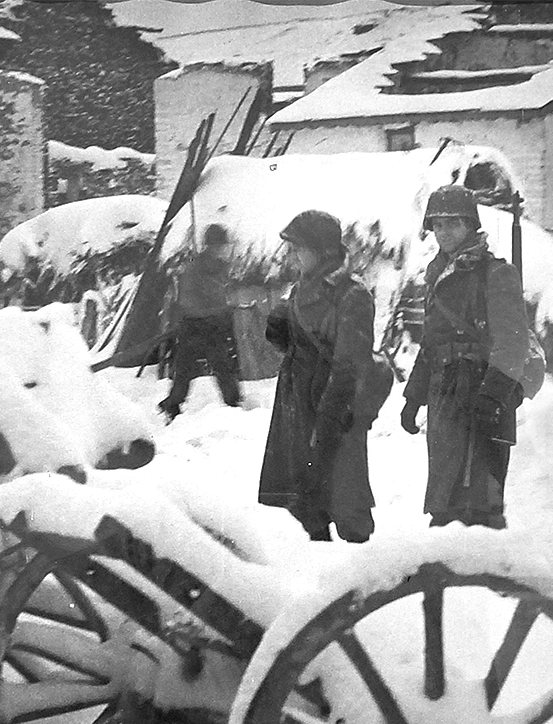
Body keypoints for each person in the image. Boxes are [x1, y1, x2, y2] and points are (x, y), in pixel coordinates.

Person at [401, 184, 529, 530]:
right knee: (445, 498)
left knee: (480, 508)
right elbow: (431, 342)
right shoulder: (437, 273)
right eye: (438, 225)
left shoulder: (496, 273)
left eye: (453, 224)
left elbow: (513, 344)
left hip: (483, 397)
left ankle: (487, 575)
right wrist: (414, 396)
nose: (444, 232)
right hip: (446, 399)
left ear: (471, 225)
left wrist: (492, 396)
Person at [258, 209, 388, 542]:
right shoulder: (301, 289)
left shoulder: (352, 295)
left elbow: (349, 364)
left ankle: (359, 575)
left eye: (299, 248)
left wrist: (329, 420)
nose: (293, 256)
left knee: (346, 498)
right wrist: (277, 327)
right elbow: (292, 345)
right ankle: (317, 564)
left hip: (335, 407)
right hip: (299, 401)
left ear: (323, 251)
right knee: (304, 500)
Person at [158, 223, 242, 421]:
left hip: (215, 326)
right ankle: (172, 405)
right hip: (194, 326)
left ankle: (233, 403)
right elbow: (188, 300)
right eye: (220, 246)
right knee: (185, 369)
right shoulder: (194, 269)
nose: (223, 250)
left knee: (223, 366)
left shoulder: (222, 268)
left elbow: (227, 292)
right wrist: (216, 305)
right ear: (210, 247)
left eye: (224, 246)